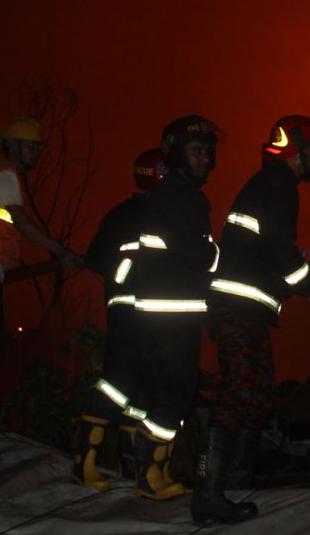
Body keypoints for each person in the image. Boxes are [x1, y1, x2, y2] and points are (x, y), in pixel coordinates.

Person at [194, 115, 310, 524]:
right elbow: (282, 256)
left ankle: (239, 480)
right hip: (235, 308)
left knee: (257, 394)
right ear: (296, 150)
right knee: (240, 391)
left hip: (246, 308)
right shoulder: (279, 186)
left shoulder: (271, 184)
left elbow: (269, 255)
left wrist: (303, 277)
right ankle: (207, 493)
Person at [0, 117, 83, 427]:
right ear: (11, 145)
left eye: (38, 147)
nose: (36, 152)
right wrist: (59, 250)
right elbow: (22, 222)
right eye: (30, 146)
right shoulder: (6, 174)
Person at [126, 115, 221, 501]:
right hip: (170, 316)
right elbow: (197, 254)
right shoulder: (179, 196)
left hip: (167, 313)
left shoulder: (176, 193)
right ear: (176, 153)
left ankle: (155, 470)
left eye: (208, 152)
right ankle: (150, 476)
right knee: (174, 393)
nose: (205, 159)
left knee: (168, 393)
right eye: (197, 151)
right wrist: (220, 254)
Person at [72, 148, 166, 492]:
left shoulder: (165, 214)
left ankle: (129, 466)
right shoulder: (127, 215)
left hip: (156, 312)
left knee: (143, 387)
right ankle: (84, 463)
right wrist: (129, 268)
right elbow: (96, 258)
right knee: (118, 382)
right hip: (129, 309)